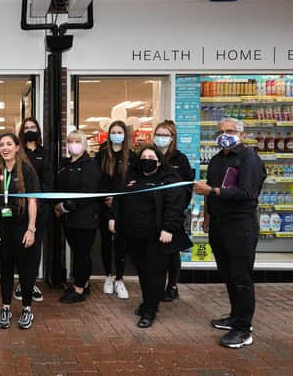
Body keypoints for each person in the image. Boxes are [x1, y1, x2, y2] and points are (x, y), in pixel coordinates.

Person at [194, 117, 266, 349]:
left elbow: (246, 192)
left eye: (230, 131)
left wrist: (212, 190)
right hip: (219, 224)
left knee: (241, 277)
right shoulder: (217, 159)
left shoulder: (250, 159)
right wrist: (207, 216)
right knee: (227, 273)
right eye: (221, 131)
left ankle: (244, 329)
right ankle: (235, 316)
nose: (224, 134)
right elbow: (209, 191)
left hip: (240, 225)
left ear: (242, 134)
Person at [110, 144, 192, 329]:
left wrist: (169, 228)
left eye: (151, 157)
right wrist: (113, 218)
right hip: (134, 236)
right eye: (144, 157)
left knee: (154, 274)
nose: (147, 160)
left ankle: (150, 311)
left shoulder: (169, 179)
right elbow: (119, 200)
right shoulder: (132, 178)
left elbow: (175, 205)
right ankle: (148, 302)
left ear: (158, 160)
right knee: (143, 273)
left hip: (157, 237)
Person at [0, 133, 39, 329]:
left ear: (17, 147)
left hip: (22, 225)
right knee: (6, 268)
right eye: (2, 145)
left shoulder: (27, 170)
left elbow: (33, 201)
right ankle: (6, 307)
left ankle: (27, 309)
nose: (5, 148)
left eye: (9, 144)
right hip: (3, 226)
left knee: (25, 269)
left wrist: (31, 229)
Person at [54, 130, 101, 303]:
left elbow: (87, 193)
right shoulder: (66, 165)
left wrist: (64, 206)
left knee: (82, 254)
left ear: (83, 143)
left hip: (84, 219)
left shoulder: (90, 165)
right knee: (78, 252)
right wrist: (57, 206)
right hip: (69, 220)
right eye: (70, 141)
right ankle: (84, 282)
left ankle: (79, 289)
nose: (73, 144)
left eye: (77, 141)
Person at [11, 117, 53, 302]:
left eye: (33, 127)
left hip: (40, 208)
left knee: (34, 248)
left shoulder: (45, 153)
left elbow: (49, 180)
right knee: (20, 247)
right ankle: (21, 283)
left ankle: (31, 282)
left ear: (38, 130)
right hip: (20, 209)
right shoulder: (19, 153)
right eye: (26, 128)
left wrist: (39, 202)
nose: (29, 130)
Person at [153, 120, 194, 302]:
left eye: (165, 135)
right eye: (158, 135)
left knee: (172, 251)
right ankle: (157, 285)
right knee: (156, 252)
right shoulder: (149, 156)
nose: (160, 138)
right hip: (153, 213)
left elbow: (186, 188)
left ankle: (172, 285)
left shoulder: (180, 159)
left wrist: (178, 210)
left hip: (173, 213)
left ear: (172, 138)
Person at [95, 120, 136, 300]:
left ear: (125, 135)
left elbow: (133, 182)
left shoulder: (132, 157)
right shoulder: (102, 155)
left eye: (120, 131)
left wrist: (119, 198)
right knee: (105, 242)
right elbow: (97, 179)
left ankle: (120, 278)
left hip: (124, 207)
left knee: (121, 243)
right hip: (104, 205)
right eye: (114, 131)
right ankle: (108, 276)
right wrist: (107, 198)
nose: (116, 135)